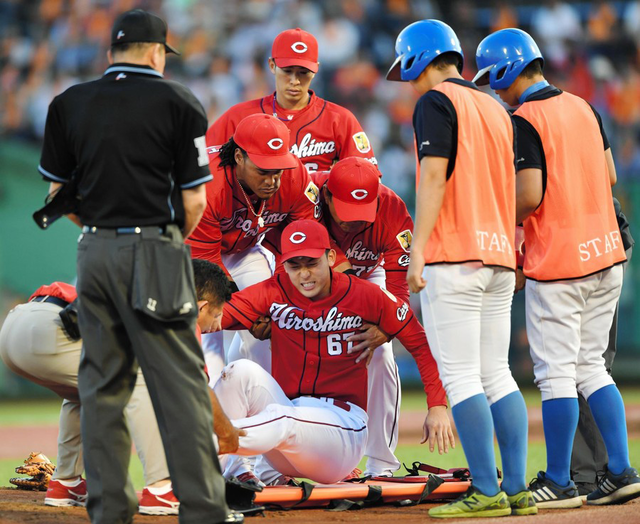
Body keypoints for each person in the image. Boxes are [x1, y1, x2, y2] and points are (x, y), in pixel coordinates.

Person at [36, 9, 239, 524]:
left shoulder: (68, 102)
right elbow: (194, 202)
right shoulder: (179, 102)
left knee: (102, 387)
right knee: (181, 386)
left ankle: (109, 513)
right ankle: (204, 511)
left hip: (94, 252)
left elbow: (58, 195)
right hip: (156, 247)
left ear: (110, 54)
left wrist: (104, 230)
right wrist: (161, 241)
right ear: (156, 53)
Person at [473, 27, 640, 508]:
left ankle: (561, 480)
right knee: (592, 368)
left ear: (507, 69)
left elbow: (529, 195)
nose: (494, 89)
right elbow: (608, 174)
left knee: (556, 376)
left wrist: (498, 226)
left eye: (494, 78)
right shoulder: (583, 106)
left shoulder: (524, 118)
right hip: (607, 255)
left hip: (561, 262)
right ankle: (621, 470)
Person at [387, 20, 533, 518]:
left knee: (462, 378)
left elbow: (433, 176)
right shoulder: (496, 106)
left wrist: (418, 250)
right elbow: (512, 191)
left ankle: (486, 492)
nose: (408, 83)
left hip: (455, 255)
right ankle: (515, 487)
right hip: (497, 254)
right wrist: (511, 249)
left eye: (408, 71)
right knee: (498, 374)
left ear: (418, 60)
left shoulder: (435, 102)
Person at [213, 219, 453, 485]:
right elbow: (213, 317)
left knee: (282, 418)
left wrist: (438, 406)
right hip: (287, 429)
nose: (304, 274)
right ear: (284, 265)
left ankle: (202, 446)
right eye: (294, 265)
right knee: (236, 373)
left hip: (343, 430)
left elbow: (420, 343)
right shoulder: (275, 290)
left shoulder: (366, 295)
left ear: (330, 257)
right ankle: (232, 474)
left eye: (311, 263)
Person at [0, 259, 240, 516]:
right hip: (53, 331)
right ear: (201, 306)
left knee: (89, 384)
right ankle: (161, 489)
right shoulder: (179, 310)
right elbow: (195, 387)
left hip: (18, 327)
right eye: (217, 315)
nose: (217, 324)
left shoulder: (154, 287)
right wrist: (227, 434)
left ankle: (66, 483)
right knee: (142, 376)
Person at [187, 113, 320, 379]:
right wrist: (249, 314)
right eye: (263, 170)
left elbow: (299, 250)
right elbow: (208, 266)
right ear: (238, 157)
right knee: (210, 328)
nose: (272, 180)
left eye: (277, 169)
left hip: (245, 250)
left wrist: (274, 304)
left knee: (273, 319)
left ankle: (259, 408)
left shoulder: (296, 177)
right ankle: (212, 408)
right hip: (193, 256)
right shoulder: (209, 184)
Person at [310, 156, 414, 477]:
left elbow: (398, 292)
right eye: (346, 213)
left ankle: (381, 464)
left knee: (380, 353)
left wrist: (386, 326)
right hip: (311, 275)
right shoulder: (308, 193)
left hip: (369, 276)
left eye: (361, 212)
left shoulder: (394, 210)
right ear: (327, 195)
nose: (354, 221)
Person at [207, 28, 377, 174]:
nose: (294, 80)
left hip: (316, 210)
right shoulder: (240, 116)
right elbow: (202, 160)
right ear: (272, 66)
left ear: (315, 69)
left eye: (303, 72)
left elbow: (368, 176)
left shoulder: (339, 120)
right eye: (287, 71)